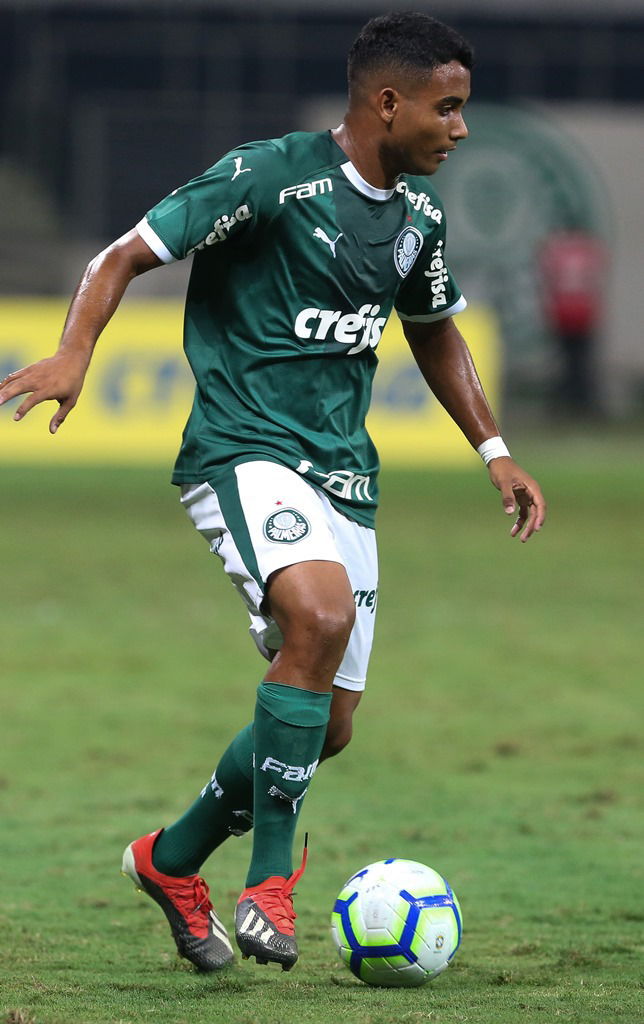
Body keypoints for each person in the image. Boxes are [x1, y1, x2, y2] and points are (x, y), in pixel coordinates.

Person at [0, 11, 546, 974]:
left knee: (326, 726)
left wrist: (494, 448)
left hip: (345, 472)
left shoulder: (419, 218)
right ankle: (269, 886)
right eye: (448, 108)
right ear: (389, 102)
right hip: (242, 450)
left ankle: (170, 860)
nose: (461, 128)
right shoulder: (268, 177)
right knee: (318, 615)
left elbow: (433, 329)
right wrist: (75, 352)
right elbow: (121, 254)